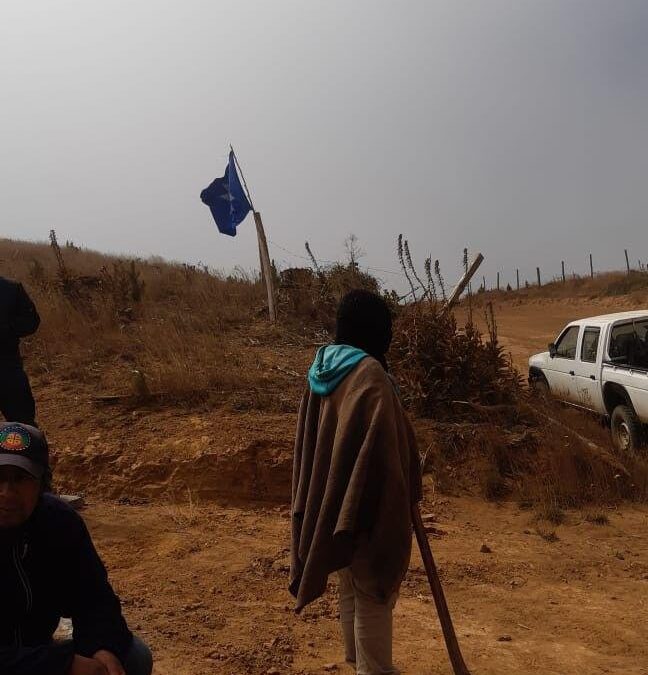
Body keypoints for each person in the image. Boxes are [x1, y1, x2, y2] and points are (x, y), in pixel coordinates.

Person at [290, 289, 422, 675]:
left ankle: (355, 658)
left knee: (349, 577)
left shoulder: (325, 365)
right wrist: (401, 492)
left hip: (334, 496)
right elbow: (385, 447)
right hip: (367, 500)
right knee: (372, 587)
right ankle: (374, 669)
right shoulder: (369, 374)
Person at [0, 422, 153, 675]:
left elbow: (95, 599)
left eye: (21, 479)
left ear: (42, 484)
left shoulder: (59, 522)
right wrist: (63, 664)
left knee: (133, 656)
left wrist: (102, 647)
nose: (6, 492)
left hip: (33, 653)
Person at [0, 277, 40, 425]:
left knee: (23, 424)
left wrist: (7, 329)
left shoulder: (11, 289)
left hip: (7, 367)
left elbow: (32, 321)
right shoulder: (11, 289)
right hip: (9, 368)